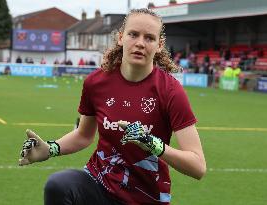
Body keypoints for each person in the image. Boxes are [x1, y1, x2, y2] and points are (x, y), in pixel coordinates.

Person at [18, 8, 206, 205]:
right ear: (120, 38)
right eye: (133, 34)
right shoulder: (95, 82)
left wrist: (153, 144)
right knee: (59, 185)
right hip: (99, 183)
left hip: (145, 197)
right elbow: (84, 135)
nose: (140, 43)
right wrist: (51, 149)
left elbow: (197, 166)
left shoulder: (171, 91)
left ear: (159, 45)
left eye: (149, 38)